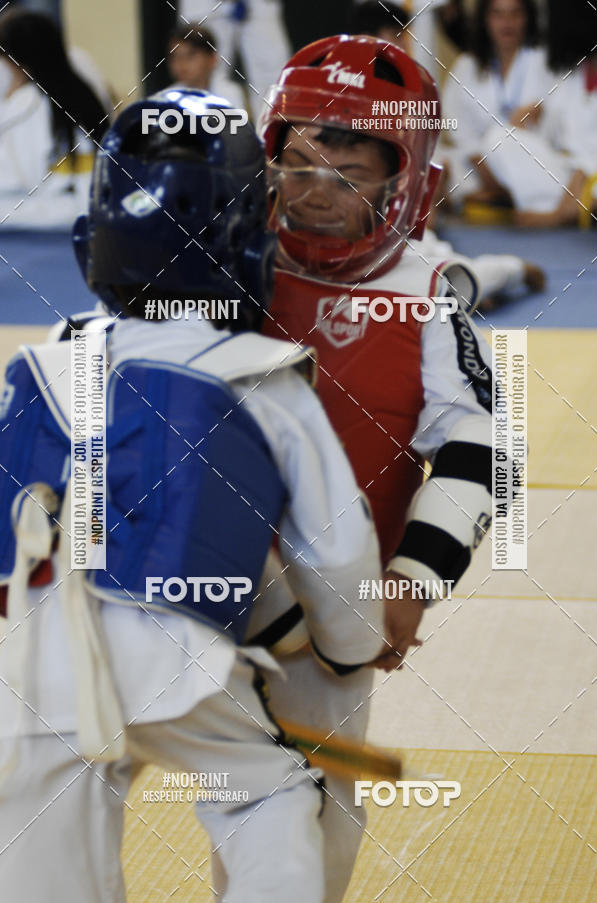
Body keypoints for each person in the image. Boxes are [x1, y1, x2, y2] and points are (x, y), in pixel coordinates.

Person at [0, 88, 388, 902]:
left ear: (92, 241)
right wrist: (349, 649)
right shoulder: (261, 379)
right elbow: (340, 555)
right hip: (178, 660)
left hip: (36, 667)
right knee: (268, 792)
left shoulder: (41, 364)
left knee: (44, 856)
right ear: (250, 242)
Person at [252, 35, 496, 903]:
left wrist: (412, 580)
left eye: (349, 170)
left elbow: (482, 447)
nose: (317, 193)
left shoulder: (432, 287)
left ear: (409, 180)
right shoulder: (228, 255)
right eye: (299, 162)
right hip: (190, 578)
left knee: (303, 820)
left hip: (326, 612)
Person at [349, 2, 547, 307]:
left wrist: (426, 215)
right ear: (366, 40)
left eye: (405, 37)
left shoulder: (406, 92)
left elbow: (428, 166)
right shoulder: (336, 91)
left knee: (425, 261)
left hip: (392, 223)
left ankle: (508, 271)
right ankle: (489, 276)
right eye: (396, 36)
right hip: (349, 224)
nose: (403, 45)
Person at [493, 0, 597, 227]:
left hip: (592, 175)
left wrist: (562, 211)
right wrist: (536, 116)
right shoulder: (574, 71)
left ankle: (569, 210)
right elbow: (560, 139)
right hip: (571, 175)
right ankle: (575, 205)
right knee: (500, 138)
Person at [441, 0, 554, 211]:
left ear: (528, 18)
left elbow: (560, 123)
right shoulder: (466, 66)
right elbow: (459, 129)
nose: (507, 23)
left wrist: (542, 111)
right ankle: (501, 195)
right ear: (485, 20)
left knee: (502, 138)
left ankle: (501, 196)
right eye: (498, 15)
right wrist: (486, 172)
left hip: (530, 163)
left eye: (515, 14)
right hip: (479, 166)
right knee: (438, 160)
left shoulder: (545, 62)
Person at [0, 9, 108, 228]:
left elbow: (11, 180)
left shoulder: (24, 106)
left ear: (14, 62)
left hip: (48, 224)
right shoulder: (87, 90)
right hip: (97, 216)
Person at [167, 22, 247, 112]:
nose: (182, 64)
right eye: (176, 57)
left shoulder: (230, 94)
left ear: (212, 59)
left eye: (190, 56)